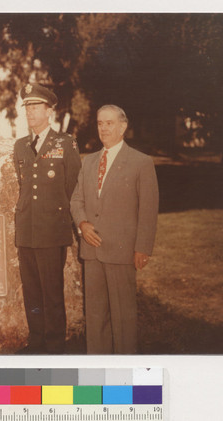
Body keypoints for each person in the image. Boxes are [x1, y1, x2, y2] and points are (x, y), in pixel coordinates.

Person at [70, 104, 159, 354]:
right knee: (96, 316)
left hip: (122, 250)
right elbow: (76, 200)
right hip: (92, 250)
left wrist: (143, 248)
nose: (104, 128)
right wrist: (82, 223)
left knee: (123, 318)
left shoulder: (141, 163)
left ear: (123, 126)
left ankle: (125, 370)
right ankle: (97, 366)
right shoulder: (88, 163)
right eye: (100, 123)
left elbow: (148, 209)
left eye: (109, 123)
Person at [13, 83, 82, 354]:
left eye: (36, 107)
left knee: (51, 292)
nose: (30, 112)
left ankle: (54, 345)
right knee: (31, 292)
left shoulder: (65, 143)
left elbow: (74, 189)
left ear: (49, 111)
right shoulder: (20, 146)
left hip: (52, 231)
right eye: (27, 107)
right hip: (26, 231)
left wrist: (76, 227)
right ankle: (36, 340)